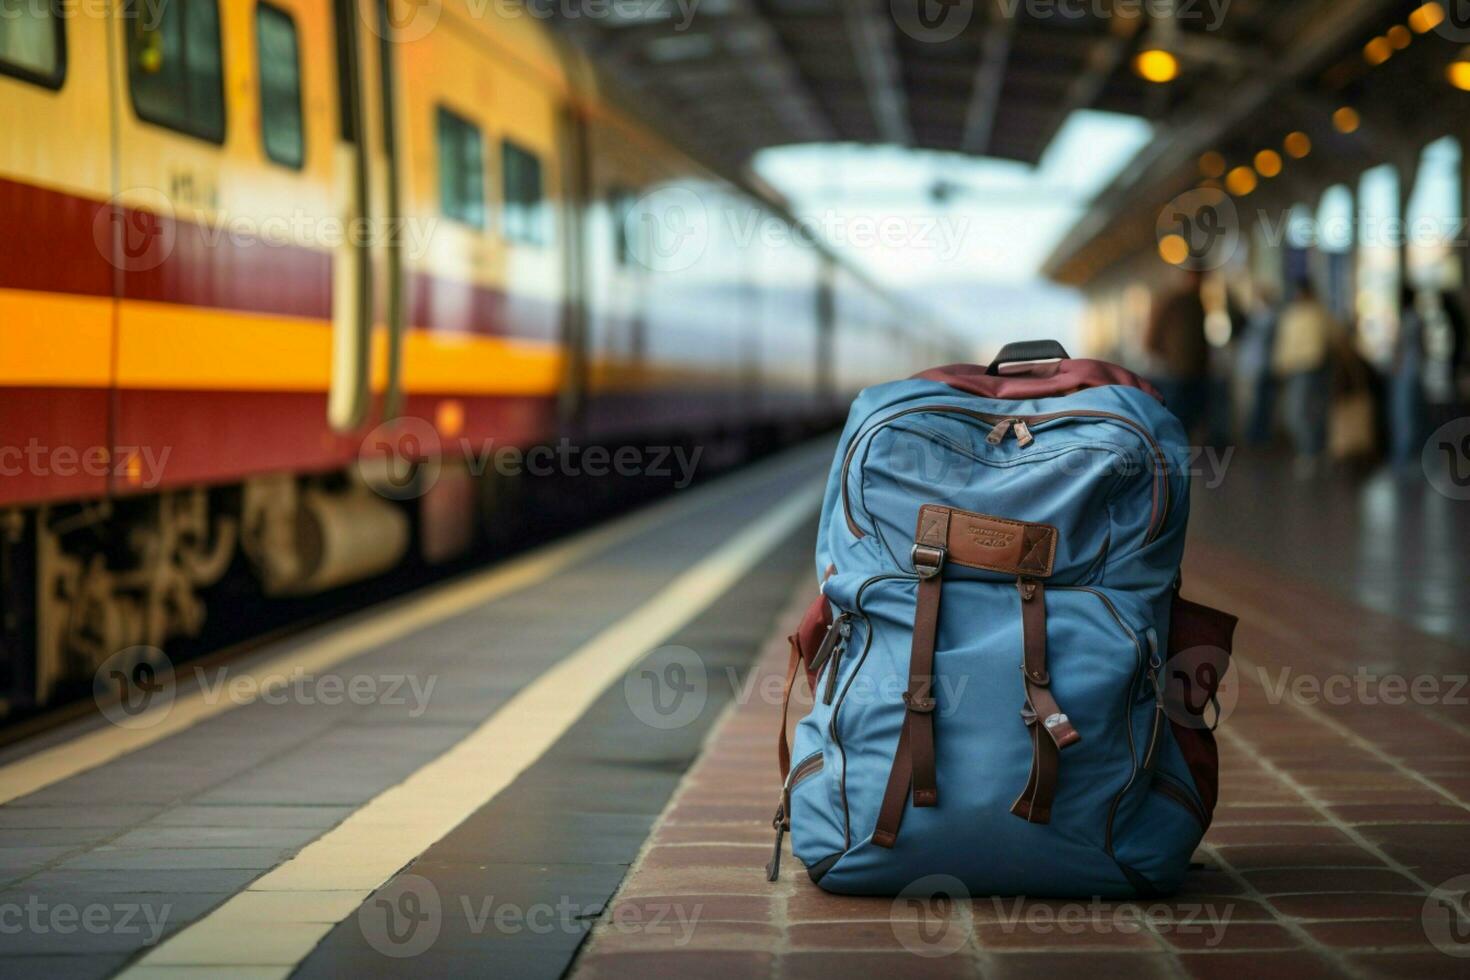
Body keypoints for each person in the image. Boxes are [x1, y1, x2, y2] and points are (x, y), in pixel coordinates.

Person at [1273, 278, 1336, 475]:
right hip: (1296, 370)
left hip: (1309, 369)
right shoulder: (1296, 314)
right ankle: (1313, 450)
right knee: (1303, 413)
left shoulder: (1316, 314)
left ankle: (1311, 452)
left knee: (1303, 413)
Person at [1145, 269, 1210, 438]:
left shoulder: (1196, 302)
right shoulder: (1176, 301)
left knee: (1188, 412)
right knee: (1178, 410)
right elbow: (1154, 334)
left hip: (1193, 369)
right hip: (1177, 369)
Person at [1389, 285, 1427, 468]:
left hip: (1406, 372)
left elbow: (1400, 347)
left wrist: (1395, 366)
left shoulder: (1407, 319)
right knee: (1413, 412)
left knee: (1404, 413)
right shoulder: (1417, 318)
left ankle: (1404, 454)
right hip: (1415, 370)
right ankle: (1412, 453)